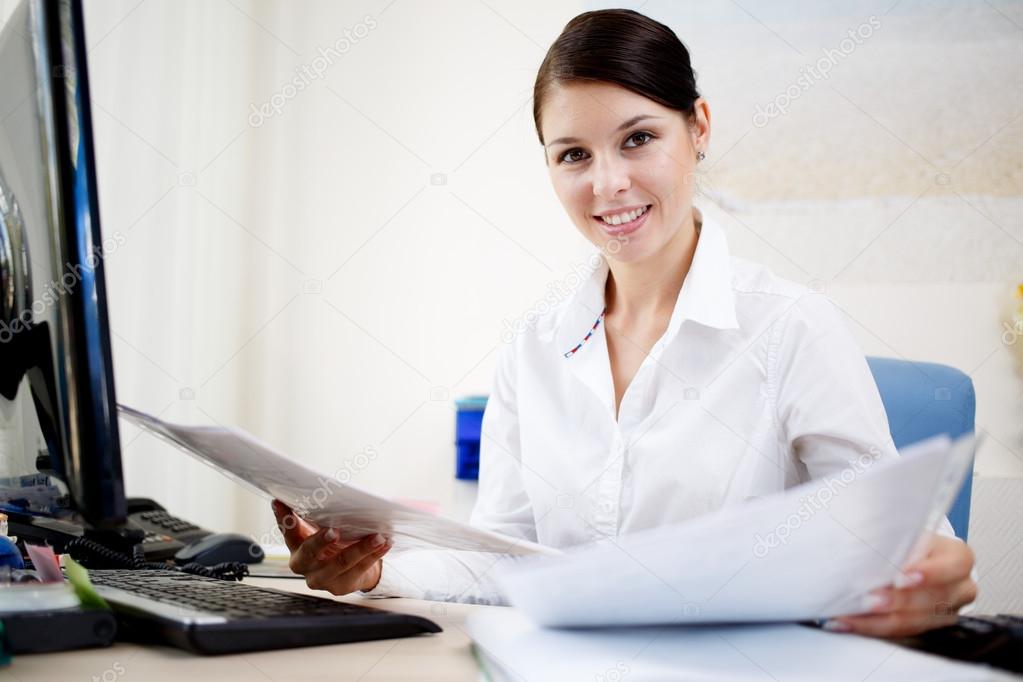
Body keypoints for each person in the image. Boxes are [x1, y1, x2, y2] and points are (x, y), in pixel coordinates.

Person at [273, 8, 977, 638]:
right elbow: (503, 561)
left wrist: (929, 578)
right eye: (573, 154)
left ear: (698, 127)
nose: (606, 183)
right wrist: (372, 573)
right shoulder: (533, 347)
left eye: (637, 139)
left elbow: (907, 545)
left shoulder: (791, 327)